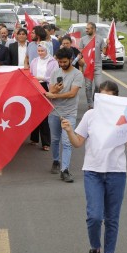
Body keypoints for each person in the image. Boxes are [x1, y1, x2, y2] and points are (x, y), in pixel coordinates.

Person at [62, 80, 127, 253]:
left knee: (112, 218)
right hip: (93, 172)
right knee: (94, 216)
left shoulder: (124, 117)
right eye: (102, 97)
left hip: (116, 172)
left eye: (110, 97)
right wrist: (70, 130)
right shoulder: (90, 116)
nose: (105, 101)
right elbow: (78, 142)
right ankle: (95, 248)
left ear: (116, 99)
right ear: (97, 98)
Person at [44, 48, 84, 183]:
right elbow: (50, 92)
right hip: (54, 111)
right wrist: (54, 90)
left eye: (64, 62)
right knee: (55, 140)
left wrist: (55, 94)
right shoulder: (55, 72)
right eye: (59, 62)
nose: (62, 64)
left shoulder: (78, 74)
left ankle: (65, 170)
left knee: (67, 142)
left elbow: (72, 93)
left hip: (69, 113)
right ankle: (56, 161)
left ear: (71, 60)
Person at [27, 44, 58, 150]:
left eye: (42, 51)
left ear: (47, 50)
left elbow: (55, 76)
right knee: (34, 113)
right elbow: (30, 74)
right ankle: (34, 138)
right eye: (38, 51)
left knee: (44, 114)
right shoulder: (34, 61)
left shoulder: (53, 62)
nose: (40, 53)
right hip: (35, 86)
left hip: (46, 87)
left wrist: (44, 78)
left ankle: (46, 143)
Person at [78, 22, 105, 109]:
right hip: (87, 66)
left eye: (88, 29)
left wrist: (107, 44)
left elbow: (105, 52)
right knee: (88, 86)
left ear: (93, 29)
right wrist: (81, 64)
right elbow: (81, 53)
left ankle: (94, 98)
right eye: (86, 28)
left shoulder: (100, 39)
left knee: (98, 85)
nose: (86, 30)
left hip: (97, 65)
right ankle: (90, 103)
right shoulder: (83, 39)